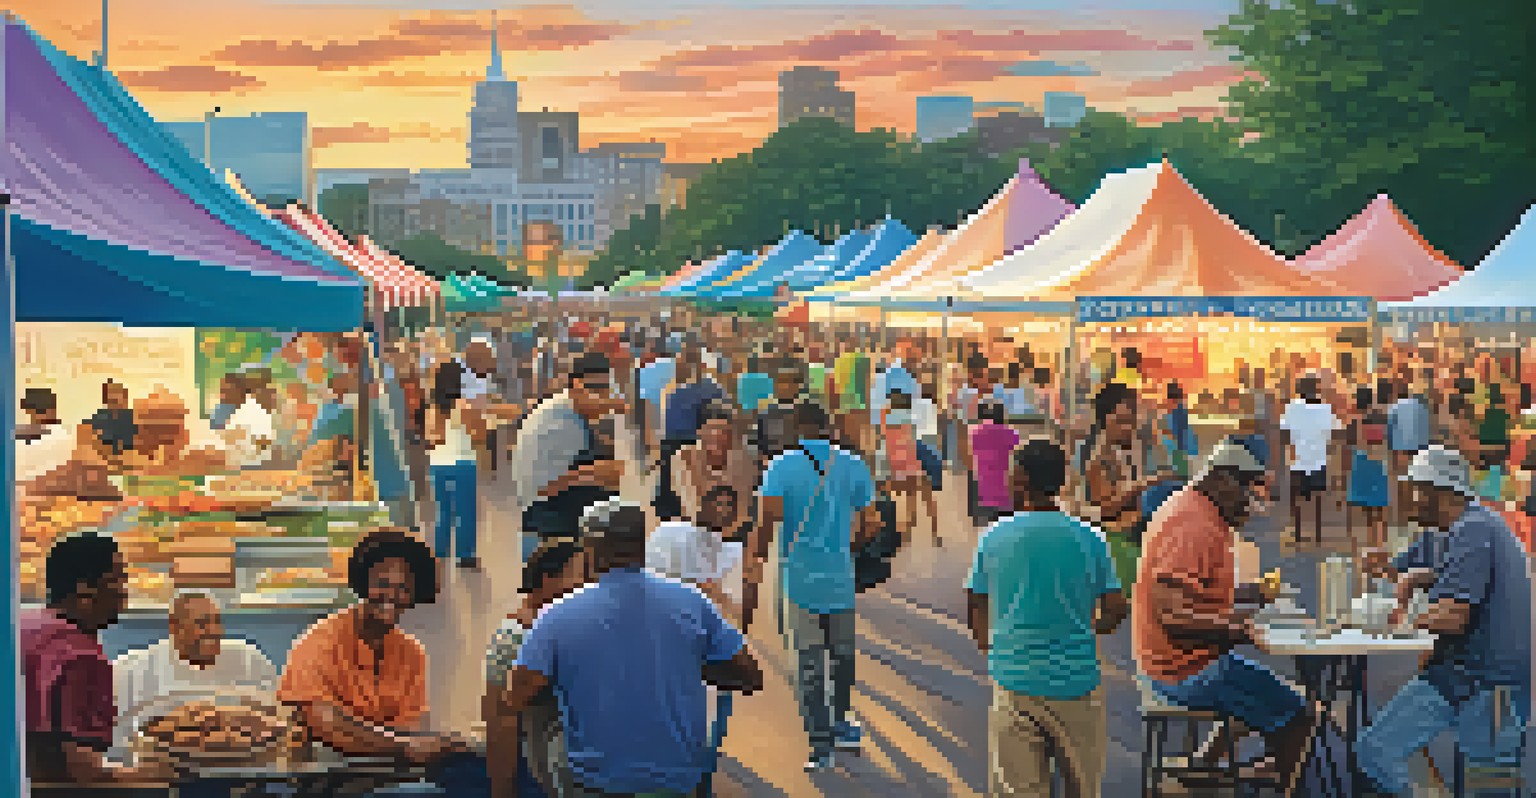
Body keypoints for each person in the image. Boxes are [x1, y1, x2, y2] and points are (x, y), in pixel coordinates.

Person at [491, 501, 764, 797]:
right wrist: (680, 664)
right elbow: (750, 675)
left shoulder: (558, 614)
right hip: (678, 779)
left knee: (539, 711)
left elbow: (512, 699)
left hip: (595, 782)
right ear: (640, 544)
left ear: (590, 549)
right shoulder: (691, 601)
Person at [1133, 437, 1321, 796]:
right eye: (1245, 491)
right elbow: (1173, 615)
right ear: (1222, 479)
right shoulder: (1193, 526)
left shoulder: (1200, 512)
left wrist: (1255, 596)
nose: (1247, 505)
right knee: (1299, 716)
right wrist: (1240, 629)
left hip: (1177, 662)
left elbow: (1201, 592)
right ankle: (1294, 783)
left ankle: (1214, 766)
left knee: (1270, 692)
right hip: (1182, 671)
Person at [1358, 445, 1532, 795]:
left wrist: (1404, 617)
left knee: (1488, 785)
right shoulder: (1439, 532)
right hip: (1457, 672)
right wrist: (1394, 571)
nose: (1409, 499)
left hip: (1489, 682)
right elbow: (1401, 572)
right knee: (1377, 748)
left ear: (1440, 493)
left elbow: (1452, 616)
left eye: (1416, 490)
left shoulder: (1474, 529)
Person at [966, 439, 1129, 798]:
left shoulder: (993, 537)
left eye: (1011, 473)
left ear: (1021, 479)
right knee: (1081, 786)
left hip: (1014, 681)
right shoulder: (1091, 538)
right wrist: (1091, 627)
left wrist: (989, 648)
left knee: (1018, 789)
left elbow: (975, 601)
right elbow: (1117, 607)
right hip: (1077, 682)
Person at [279, 529, 477, 773]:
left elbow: (410, 726)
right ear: (363, 584)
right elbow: (323, 722)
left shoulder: (411, 652)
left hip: (388, 773)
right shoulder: (319, 641)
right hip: (325, 775)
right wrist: (405, 746)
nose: (392, 596)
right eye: (382, 585)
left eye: (403, 588)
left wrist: (435, 742)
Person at [747, 402, 878, 771]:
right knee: (842, 657)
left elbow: (766, 522)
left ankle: (821, 748)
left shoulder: (781, 465)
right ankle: (841, 723)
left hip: (798, 577)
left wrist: (754, 560)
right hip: (840, 576)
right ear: (828, 426)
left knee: (807, 663)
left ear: (796, 429)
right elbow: (872, 522)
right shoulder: (854, 465)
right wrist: (847, 546)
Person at [23, 533, 175, 784]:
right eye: (117, 580)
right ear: (85, 590)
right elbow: (80, 774)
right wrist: (153, 779)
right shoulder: (80, 659)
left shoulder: (28, 626)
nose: (124, 592)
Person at [111, 593, 278, 760]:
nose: (213, 631)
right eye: (202, 623)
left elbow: (277, 718)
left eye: (216, 622)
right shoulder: (133, 669)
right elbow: (118, 736)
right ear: (175, 628)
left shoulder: (251, 661)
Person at [484, 538, 589, 798]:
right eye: (581, 577)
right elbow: (499, 719)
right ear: (546, 579)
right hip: (534, 777)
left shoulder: (571, 632)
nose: (588, 587)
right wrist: (503, 790)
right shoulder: (515, 636)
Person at [515, 351, 624, 558]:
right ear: (574, 386)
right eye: (594, 389)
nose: (602, 396)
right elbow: (547, 486)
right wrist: (597, 472)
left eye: (605, 389)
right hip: (546, 519)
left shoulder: (566, 408)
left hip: (548, 511)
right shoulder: (562, 424)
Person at [658, 344, 726, 521]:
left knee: (673, 501)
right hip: (694, 446)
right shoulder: (713, 389)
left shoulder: (675, 392)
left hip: (677, 447)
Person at [675, 401, 757, 546]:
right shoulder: (685, 456)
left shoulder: (745, 458)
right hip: (695, 536)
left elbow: (744, 509)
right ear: (700, 432)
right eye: (711, 430)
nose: (717, 437)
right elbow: (690, 508)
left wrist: (725, 542)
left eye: (723, 432)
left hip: (734, 537)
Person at [427, 360, 482, 569]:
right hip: (463, 463)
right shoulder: (463, 405)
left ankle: (439, 554)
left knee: (443, 511)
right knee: (465, 511)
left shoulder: (432, 408)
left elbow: (430, 437)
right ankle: (465, 555)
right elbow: (478, 434)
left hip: (438, 463)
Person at [1280, 375, 1341, 546]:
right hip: (1318, 460)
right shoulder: (1325, 409)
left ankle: (1298, 534)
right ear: (1317, 390)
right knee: (1318, 500)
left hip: (1298, 461)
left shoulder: (1291, 408)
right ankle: (1318, 534)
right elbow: (1335, 433)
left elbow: (1284, 434)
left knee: (1296, 500)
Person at [881, 388, 940, 546]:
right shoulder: (910, 418)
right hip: (914, 462)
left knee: (909, 497)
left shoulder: (886, 418)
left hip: (897, 465)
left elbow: (884, 441)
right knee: (926, 498)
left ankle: (908, 533)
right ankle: (935, 532)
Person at [1344, 385, 1391, 552]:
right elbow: (1387, 443)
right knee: (1380, 509)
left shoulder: (1354, 422)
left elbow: (1349, 446)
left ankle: (1367, 548)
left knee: (1366, 511)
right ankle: (1380, 546)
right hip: (1378, 464)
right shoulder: (1383, 419)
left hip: (1361, 464)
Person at [969, 401, 1021, 528]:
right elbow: (1017, 451)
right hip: (1003, 484)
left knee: (985, 526)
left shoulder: (976, 431)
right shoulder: (1009, 433)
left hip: (982, 484)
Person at [1387, 379, 1431, 523]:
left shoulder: (1394, 407)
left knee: (1401, 481)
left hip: (1400, 448)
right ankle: (1416, 510)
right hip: (1420, 448)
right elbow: (1427, 428)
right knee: (1418, 481)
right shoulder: (1422, 407)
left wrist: (1391, 449)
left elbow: (1390, 429)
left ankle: (1402, 513)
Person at [223, 369, 277, 469]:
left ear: (238, 390)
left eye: (227, 391)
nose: (223, 395)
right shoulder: (239, 411)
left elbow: (263, 444)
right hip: (243, 465)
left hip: (251, 467)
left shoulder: (252, 411)